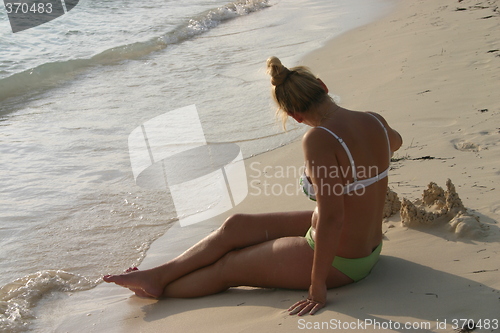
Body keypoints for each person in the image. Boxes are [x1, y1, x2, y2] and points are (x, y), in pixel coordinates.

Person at [103, 56, 403, 316]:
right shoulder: (373, 121)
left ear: (294, 116)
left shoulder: (319, 139)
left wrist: (317, 284)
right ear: (323, 85)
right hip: (362, 244)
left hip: (344, 260)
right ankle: (159, 274)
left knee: (230, 267)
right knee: (235, 227)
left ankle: (162, 290)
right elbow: (395, 142)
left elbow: (333, 217)